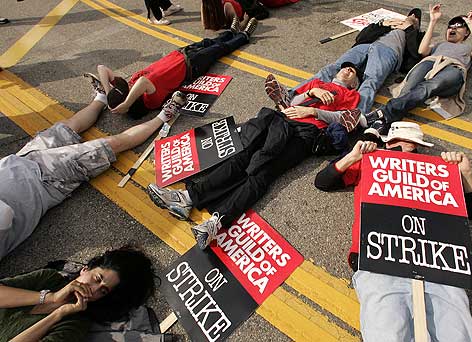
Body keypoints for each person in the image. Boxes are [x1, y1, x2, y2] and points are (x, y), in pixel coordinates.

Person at [147, 63, 362, 249]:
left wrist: (315, 112)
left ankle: (216, 222)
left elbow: (348, 119)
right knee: (244, 156)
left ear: (354, 84)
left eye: (353, 72)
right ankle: (188, 198)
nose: (349, 69)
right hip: (281, 120)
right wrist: (310, 94)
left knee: (263, 171)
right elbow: (292, 102)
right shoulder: (317, 83)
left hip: (306, 134)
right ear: (335, 72)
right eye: (345, 67)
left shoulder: (353, 95)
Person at [314, 122, 472, 341]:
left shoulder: (438, 167)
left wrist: (465, 174)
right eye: (400, 142)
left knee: (455, 334)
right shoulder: (371, 161)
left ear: (417, 145)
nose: (404, 146)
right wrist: (352, 156)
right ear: (388, 141)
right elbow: (323, 181)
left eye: (410, 143)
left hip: (438, 261)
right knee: (388, 333)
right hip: (382, 257)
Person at [0, 84, 186, 261]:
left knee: (68, 126)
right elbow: (5, 214)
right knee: (113, 144)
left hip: (19, 160)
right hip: (46, 179)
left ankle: (101, 97)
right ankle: (164, 116)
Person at [364, 5, 472, 134]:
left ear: (466, 32)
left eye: (459, 25)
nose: (453, 28)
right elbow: (422, 50)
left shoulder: (468, 49)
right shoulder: (439, 44)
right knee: (408, 87)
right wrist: (433, 21)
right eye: (450, 26)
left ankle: (382, 113)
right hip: (430, 62)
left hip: (453, 67)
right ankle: (384, 123)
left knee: (429, 87)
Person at [291, 8, 424, 127]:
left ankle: (356, 115)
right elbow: (361, 37)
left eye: (414, 18)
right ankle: (291, 95)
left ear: (417, 24)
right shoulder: (389, 23)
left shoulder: (415, 34)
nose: (409, 17)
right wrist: (382, 25)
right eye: (408, 15)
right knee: (333, 68)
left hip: (387, 51)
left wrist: (410, 29)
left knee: (371, 79)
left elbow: (414, 57)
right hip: (364, 45)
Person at [91, 27, 258, 120]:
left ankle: (232, 31)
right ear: (130, 98)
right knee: (219, 49)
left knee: (208, 42)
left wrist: (108, 93)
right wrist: (126, 104)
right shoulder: (150, 100)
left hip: (179, 54)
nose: (127, 83)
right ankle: (244, 35)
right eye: (126, 88)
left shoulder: (130, 87)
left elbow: (101, 68)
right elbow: (143, 81)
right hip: (190, 66)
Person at [0, 245, 157, 341]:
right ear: (85, 269)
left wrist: (58, 314)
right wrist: (51, 297)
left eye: (103, 291)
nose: (93, 290)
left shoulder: (75, 324)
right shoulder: (49, 278)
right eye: (96, 278)